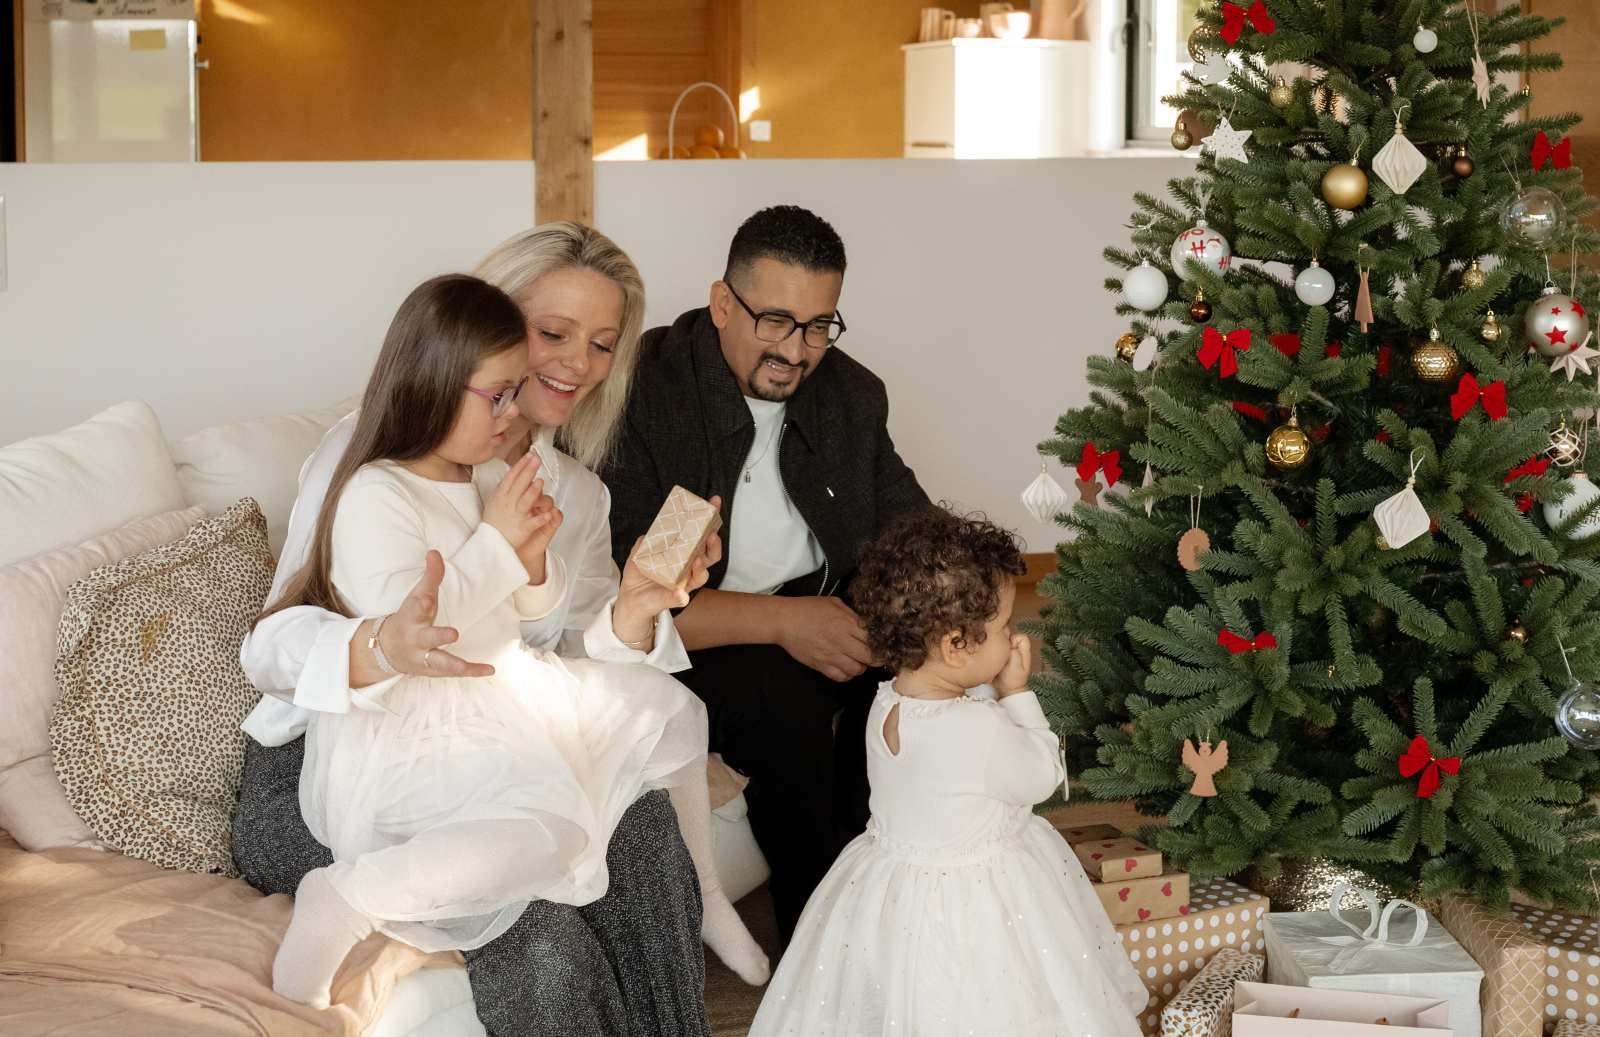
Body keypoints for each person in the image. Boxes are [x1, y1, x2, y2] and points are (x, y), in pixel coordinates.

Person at [233, 223, 737, 1036]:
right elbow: (274, 642)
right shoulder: (375, 457)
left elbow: (561, 658)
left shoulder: (573, 491)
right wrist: (376, 646)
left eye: (604, 344)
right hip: (329, 767)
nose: (578, 364)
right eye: (553, 333)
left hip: (496, 740)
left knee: (640, 831)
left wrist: (639, 603)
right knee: (537, 927)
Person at [603, 205, 931, 941]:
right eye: (776, 321)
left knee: (916, 674)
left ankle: (901, 913)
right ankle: (823, 948)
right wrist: (787, 625)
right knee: (786, 703)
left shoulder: (851, 394)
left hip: (822, 608)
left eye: (819, 325)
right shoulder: (647, 394)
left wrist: (908, 624)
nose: (798, 349)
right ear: (723, 303)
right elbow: (639, 605)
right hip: (691, 642)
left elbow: (914, 531)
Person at [749, 508, 1149, 1036]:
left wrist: (989, 688)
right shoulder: (977, 728)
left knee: (919, 997)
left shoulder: (887, 702)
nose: (1014, 635)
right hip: (980, 896)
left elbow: (950, 732)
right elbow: (1040, 776)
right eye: (1005, 626)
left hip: (899, 888)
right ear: (956, 645)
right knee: (994, 997)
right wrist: (1017, 695)